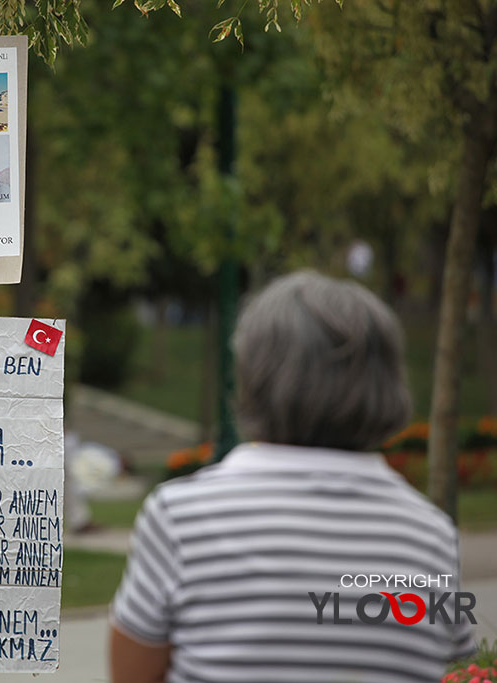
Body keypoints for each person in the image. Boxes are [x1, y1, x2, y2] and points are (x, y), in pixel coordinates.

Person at [110, 271, 476, 683]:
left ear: (254, 375)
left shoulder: (179, 518)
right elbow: (451, 656)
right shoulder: (433, 536)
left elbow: (132, 673)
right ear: (387, 382)